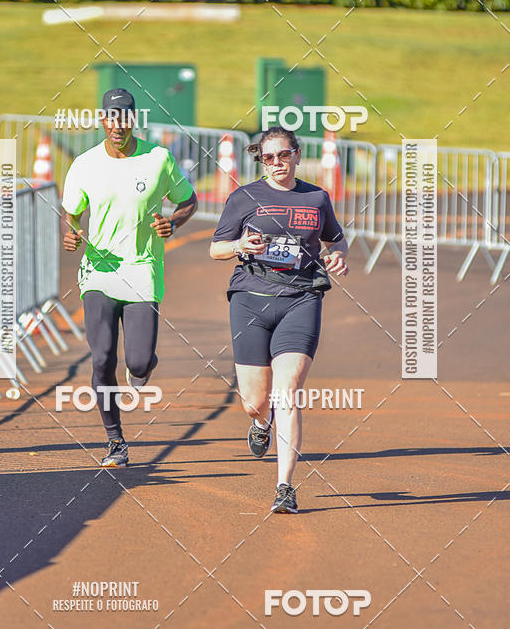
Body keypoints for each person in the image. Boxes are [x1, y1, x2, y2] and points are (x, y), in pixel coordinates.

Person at [210, 126, 348, 513]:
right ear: (261, 161)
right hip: (250, 300)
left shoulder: (316, 198)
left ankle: (284, 486)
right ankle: (260, 423)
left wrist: (339, 254)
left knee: (287, 392)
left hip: (301, 300)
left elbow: (336, 238)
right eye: (267, 158)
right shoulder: (244, 197)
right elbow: (216, 248)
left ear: (297, 155)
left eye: (282, 155)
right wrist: (238, 245)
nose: (275, 164)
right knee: (255, 401)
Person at [62, 88, 198, 467]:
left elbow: (188, 200)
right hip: (98, 272)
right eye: (110, 118)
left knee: (137, 364)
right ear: (102, 120)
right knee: (102, 357)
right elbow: (71, 213)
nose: (117, 125)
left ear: (132, 120)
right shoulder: (85, 165)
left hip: (141, 270)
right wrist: (71, 232)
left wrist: (174, 221)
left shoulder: (158, 159)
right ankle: (115, 441)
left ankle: (143, 362)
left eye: (124, 118)